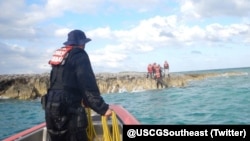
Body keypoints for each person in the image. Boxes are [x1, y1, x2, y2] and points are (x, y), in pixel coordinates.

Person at [43, 29, 112, 141]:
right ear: (82, 43)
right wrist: (103, 109)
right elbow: (88, 85)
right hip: (69, 110)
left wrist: (84, 100)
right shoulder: (79, 55)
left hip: (51, 109)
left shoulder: (60, 56)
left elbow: (57, 83)